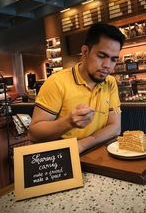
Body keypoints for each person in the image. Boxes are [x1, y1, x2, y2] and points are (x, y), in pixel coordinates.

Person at [28, 22, 125, 153]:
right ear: (85, 51)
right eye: (101, 56)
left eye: (113, 59)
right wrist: (69, 122)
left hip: (99, 151)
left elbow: (115, 127)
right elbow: (34, 133)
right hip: (64, 157)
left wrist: (82, 145)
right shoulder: (57, 82)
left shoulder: (110, 82)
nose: (107, 65)